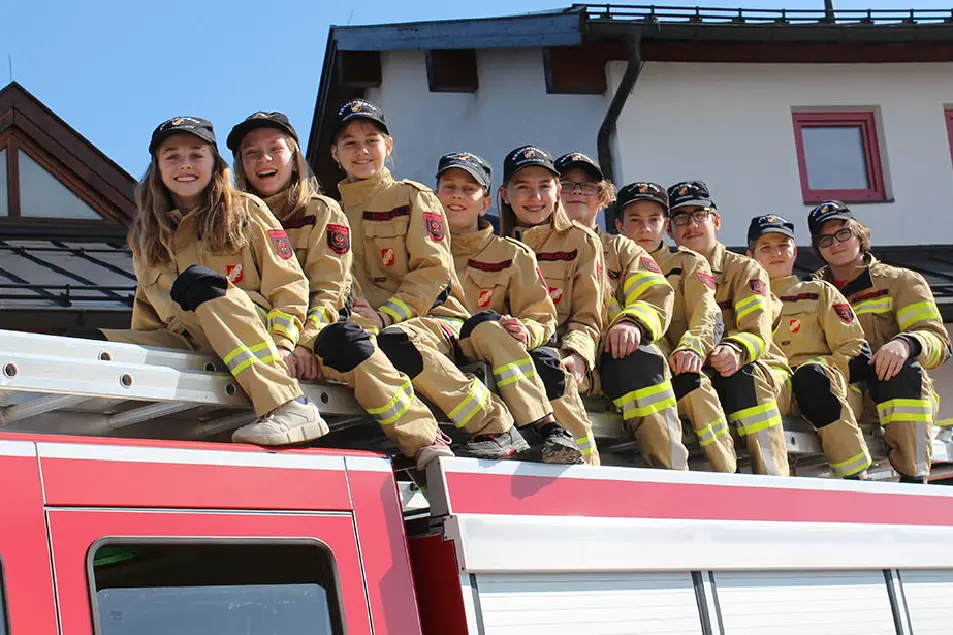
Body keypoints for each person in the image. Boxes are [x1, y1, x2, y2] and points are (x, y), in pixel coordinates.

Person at [227, 111, 452, 469]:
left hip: (308, 335)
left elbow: (330, 290)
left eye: (275, 149)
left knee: (348, 343)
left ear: (295, 157)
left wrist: (301, 342)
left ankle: (423, 439)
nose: (264, 159)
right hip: (257, 336)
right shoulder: (230, 220)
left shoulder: (321, 211)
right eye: (252, 153)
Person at [101, 116, 327, 446]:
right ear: (158, 168)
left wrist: (282, 343)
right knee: (87, 342)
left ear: (214, 162)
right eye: (172, 156)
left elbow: (289, 284)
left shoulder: (246, 210)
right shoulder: (147, 237)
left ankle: (288, 406)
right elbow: (147, 316)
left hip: (254, 334)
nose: (185, 165)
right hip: (191, 341)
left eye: (196, 154)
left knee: (203, 285)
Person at [329, 99, 528, 459]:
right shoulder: (331, 211)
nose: (362, 151)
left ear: (388, 147)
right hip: (369, 326)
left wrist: (386, 316)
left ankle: (495, 424)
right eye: (350, 143)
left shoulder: (413, 197)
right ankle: (421, 439)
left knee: (396, 341)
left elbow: (433, 272)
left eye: (371, 140)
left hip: (435, 321)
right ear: (335, 153)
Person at [438, 151, 583, 464]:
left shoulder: (512, 254)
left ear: (486, 202)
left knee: (491, 329)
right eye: (449, 188)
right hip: (435, 351)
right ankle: (533, 429)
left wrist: (526, 331)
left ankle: (551, 433)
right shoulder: (420, 248)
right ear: (435, 197)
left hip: (487, 354)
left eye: (469, 190)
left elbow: (542, 316)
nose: (458, 197)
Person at [554, 153, 690, 470]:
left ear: (602, 198)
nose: (576, 192)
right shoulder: (531, 246)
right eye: (567, 184)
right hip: (561, 355)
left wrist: (632, 321)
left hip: (612, 356)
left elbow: (655, 292)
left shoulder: (622, 249)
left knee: (644, 360)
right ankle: (585, 479)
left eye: (586, 186)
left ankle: (674, 477)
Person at [809, 201, 950, 483]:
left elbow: (937, 342)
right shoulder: (810, 292)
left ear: (860, 235)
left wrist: (907, 344)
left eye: (843, 234)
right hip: (845, 397)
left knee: (902, 369)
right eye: (825, 239)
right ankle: (853, 478)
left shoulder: (901, 282)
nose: (835, 243)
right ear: (818, 248)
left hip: (895, 393)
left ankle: (914, 479)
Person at [666, 181, 790, 476]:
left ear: (716, 221)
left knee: (744, 377)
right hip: (694, 372)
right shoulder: (663, 270)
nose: (691, 225)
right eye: (681, 218)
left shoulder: (744, 270)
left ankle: (774, 483)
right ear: (669, 229)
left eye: (699, 215)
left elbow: (756, 330)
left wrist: (735, 348)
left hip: (749, 368)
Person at [613, 180, 737, 473]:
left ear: (665, 225)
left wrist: (692, 347)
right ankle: (669, 477)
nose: (645, 229)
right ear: (619, 225)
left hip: (681, 364)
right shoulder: (609, 261)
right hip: (637, 363)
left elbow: (707, 313)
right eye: (635, 220)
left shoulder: (688, 263)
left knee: (697, 390)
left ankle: (729, 476)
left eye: (654, 220)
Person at [495, 145, 606, 466]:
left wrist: (578, 355)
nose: (535, 197)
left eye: (544, 186)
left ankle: (587, 470)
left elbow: (588, 315)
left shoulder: (582, 242)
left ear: (557, 191)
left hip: (557, 355)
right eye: (523, 188)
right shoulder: (492, 241)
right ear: (504, 194)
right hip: (502, 356)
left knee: (551, 367)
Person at [747, 214, 872, 479]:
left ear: (795, 252)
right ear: (751, 255)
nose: (776, 253)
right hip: (777, 387)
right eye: (766, 248)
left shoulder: (819, 292)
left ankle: (856, 477)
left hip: (827, 387)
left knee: (810, 379)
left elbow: (853, 348)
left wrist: (820, 370)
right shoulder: (745, 298)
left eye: (783, 246)